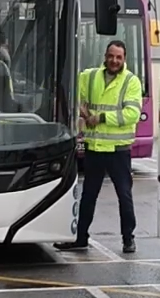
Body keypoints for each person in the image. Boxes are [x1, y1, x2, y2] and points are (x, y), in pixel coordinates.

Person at [56, 38, 143, 254]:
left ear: (124, 59)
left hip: (118, 150)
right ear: (105, 56)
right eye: (111, 56)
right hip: (94, 147)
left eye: (118, 57)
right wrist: (79, 109)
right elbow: (71, 90)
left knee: (124, 195)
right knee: (88, 196)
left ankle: (128, 239)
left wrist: (101, 117)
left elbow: (132, 114)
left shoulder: (131, 82)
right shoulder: (91, 76)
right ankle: (80, 237)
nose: (114, 60)